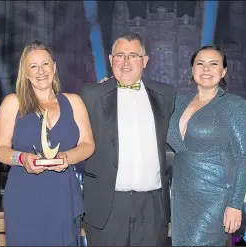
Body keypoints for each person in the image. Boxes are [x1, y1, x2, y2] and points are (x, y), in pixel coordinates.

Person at [0, 41, 94, 246]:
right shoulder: (13, 102)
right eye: (33, 66)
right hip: (24, 194)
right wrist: (22, 158)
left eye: (45, 64)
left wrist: (67, 158)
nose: (41, 71)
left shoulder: (74, 102)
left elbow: (87, 144)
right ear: (25, 72)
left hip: (62, 194)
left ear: (54, 67)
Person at [80, 32, 175, 245]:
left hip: (153, 207)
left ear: (145, 61)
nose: (125, 62)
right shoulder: (90, 95)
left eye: (132, 56)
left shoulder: (166, 95)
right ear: (110, 59)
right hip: (107, 206)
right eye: (119, 55)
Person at [166, 45, 246, 246]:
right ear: (192, 70)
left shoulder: (233, 105)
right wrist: (115, 87)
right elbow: (147, 105)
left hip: (215, 194)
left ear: (223, 72)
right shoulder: (178, 102)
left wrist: (235, 204)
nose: (206, 69)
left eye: (213, 64)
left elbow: (244, 157)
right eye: (200, 63)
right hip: (181, 193)